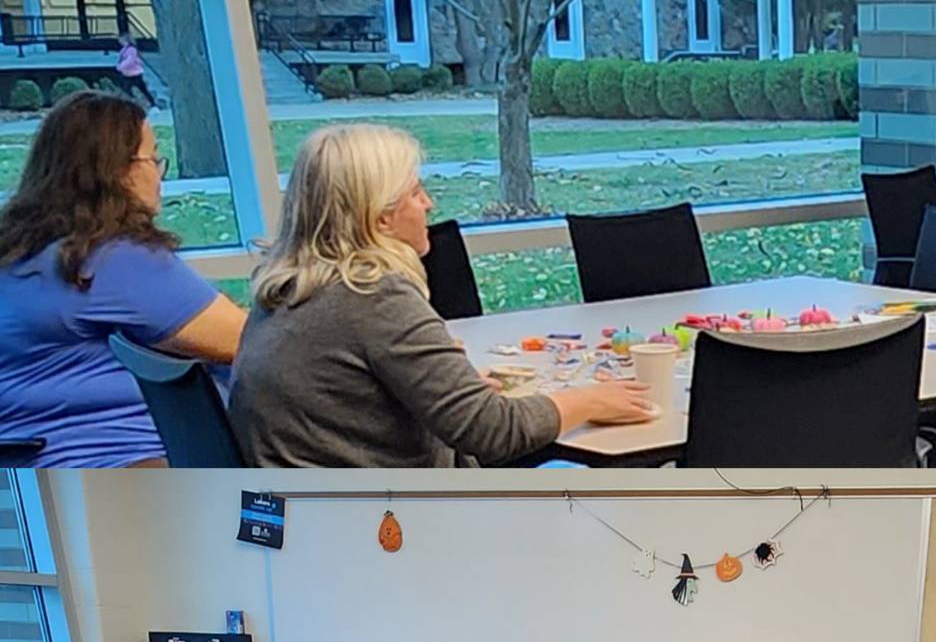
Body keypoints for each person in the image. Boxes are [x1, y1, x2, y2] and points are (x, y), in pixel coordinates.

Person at [230, 123, 655, 466]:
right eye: (415, 193)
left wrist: (449, 390)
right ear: (380, 219)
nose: (429, 204)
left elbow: (353, 399)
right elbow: (491, 432)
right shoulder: (372, 295)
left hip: (318, 525)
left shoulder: (286, 290)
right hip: (394, 532)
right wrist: (590, 399)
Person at [0, 91, 246, 466]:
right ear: (119, 171)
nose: (159, 175)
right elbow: (254, 345)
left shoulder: (22, 252)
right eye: (152, 158)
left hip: (30, 474)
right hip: (121, 470)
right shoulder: (112, 259)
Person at [115, 34, 157, 108]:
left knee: (142, 89)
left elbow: (130, 60)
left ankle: (152, 103)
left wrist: (120, 67)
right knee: (127, 90)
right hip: (127, 74)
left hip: (134, 74)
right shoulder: (125, 49)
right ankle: (131, 103)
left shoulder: (131, 49)